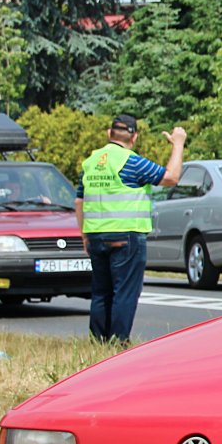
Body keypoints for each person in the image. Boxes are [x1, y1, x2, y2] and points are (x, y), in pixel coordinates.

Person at [75, 113, 186, 343]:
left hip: (95, 235)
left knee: (101, 292)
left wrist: (84, 234)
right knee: (124, 292)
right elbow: (171, 177)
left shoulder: (91, 162)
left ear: (109, 134)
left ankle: (97, 342)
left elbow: (79, 201)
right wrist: (178, 144)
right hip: (127, 235)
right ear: (133, 137)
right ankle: (118, 342)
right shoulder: (131, 161)